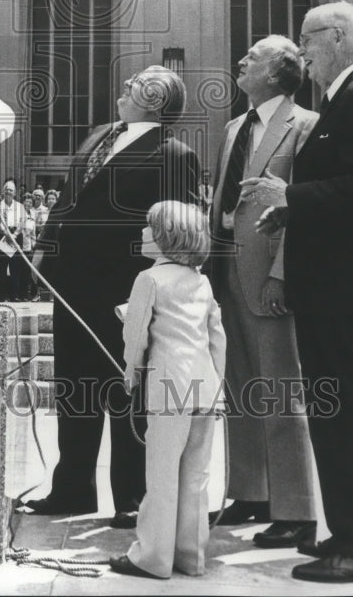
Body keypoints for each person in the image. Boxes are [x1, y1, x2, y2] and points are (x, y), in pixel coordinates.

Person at [243, 1, 353, 584]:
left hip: (344, 287)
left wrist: (291, 197)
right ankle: (345, 532)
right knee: (336, 414)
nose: (302, 52)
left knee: (346, 413)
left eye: (307, 38)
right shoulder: (342, 100)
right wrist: (289, 213)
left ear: (339, 39)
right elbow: (343, 189)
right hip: (330, 284)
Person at [24, 66, 199, 525]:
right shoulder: (98, 135)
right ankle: (72, 489)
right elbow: (68, 197)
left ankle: (132, 496)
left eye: (137, 85)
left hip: (129, 291)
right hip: (71, 284)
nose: (123, 87)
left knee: (128, 392)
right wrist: (45, 250)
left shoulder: (174, 154)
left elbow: (178, 230)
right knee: (74, 389)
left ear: (158, 100)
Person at [208, 36, 317, 546]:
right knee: (241, 386)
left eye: (252, 57)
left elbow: (299, 213)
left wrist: (282, 274)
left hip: (270, 276)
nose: (241, 61)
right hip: (226, 269)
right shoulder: (234, 128)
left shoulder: (307, 125)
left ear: (276, 73)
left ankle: (296, 509)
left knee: (280, 390)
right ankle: (251, 492)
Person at [110, 201, 225, 579]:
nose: (143, 232)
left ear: (165, 237)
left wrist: (131, 370)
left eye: (149, 227)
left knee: (161, 475)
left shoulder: (149, 279)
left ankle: (153, 558)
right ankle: (191, 556)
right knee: (196, 478)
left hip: (167, 388)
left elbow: (136, 333)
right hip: (204, 388)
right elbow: (217, 339)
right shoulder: (202, 281)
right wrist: (218, 385)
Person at [0, 181, 26, 301]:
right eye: (6, 189)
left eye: (11, 190)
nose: (8, 192)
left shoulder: (20, 206)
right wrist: (6, 234)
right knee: (1, 267)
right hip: (2, 236)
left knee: (15, 267)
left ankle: (13, 296)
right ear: (2, 191)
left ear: (15, 193)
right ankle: (1, 296)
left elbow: (22, 223)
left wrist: (14, 235)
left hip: (16, 236)